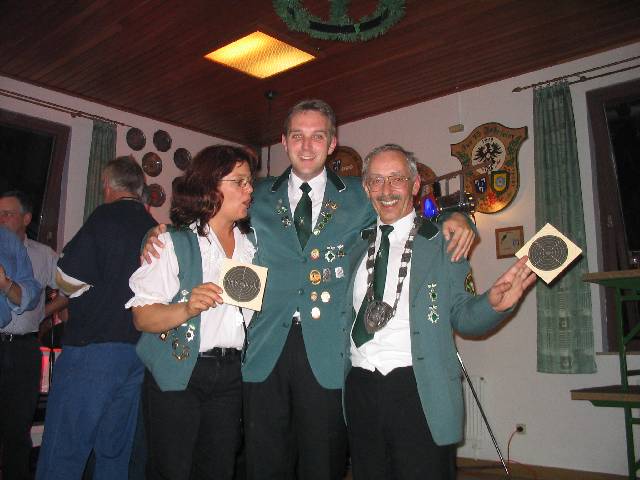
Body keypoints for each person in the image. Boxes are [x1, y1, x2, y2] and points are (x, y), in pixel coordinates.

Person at [143, 99, 474, 480]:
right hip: (265, 348)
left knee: (322, 463)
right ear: (283, 141)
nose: (306, 146)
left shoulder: (359, 193)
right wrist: (155, 233)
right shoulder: (256, 194)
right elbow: (210, 219)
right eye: (297, 136)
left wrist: (457, 218)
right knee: (265, 464)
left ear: (332, 143)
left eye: (317, 136)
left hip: (326, 351)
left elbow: (404, 211)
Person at [342, 144, 535, 479]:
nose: (386, 190)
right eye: (376, 180)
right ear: (366, 187)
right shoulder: (353, 246)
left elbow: (463, 315)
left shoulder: (443, 241)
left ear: (415, 184)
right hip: (360, 387)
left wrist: (493, 305)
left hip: (419, 388)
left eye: (396, 178)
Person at [127, 145, 254, 479]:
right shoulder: (173, 242)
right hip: (180, 371)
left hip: (232, 376)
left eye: (249, 182)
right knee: (172, 470)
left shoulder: (253, 244)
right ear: (209, 186)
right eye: (239, 182)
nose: (249, 190)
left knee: (218, 470)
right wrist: (186, 308)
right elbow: (142, 316)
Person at [36, 156, 157, 480]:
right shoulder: (152, 227)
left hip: (93, 350)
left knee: (64, 451)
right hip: (136, 352)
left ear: (108, 186)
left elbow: (67, 278)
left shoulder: (105, 216)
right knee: (114, 455)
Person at [0, 191, 67, 480]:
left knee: (17, 429)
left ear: (26, 218)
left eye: (7, 214)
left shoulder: (42, 255)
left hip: (23, 349)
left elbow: (69, 290)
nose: (1, 220)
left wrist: (42, 313)